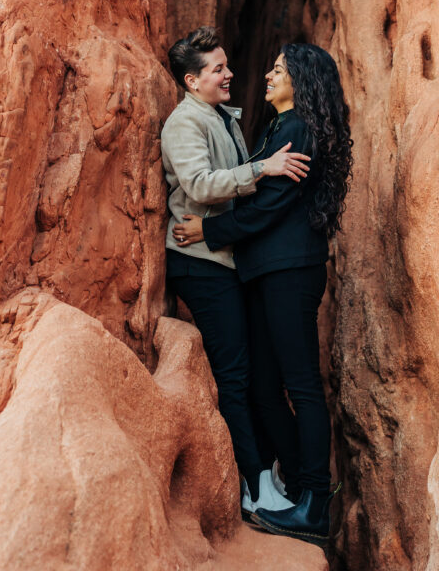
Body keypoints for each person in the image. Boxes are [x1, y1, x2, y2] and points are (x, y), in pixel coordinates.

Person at [174, 43, 353, 544]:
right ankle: (298, 485)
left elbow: (269, 206)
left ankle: (315, 501)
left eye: (279, 69)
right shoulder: (278, 127)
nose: (268, 74)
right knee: (263, 388)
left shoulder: (296, 129)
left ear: (303, 80)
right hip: (268, 273)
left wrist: (208, 233)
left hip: (289, 273)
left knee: (299, 386)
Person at [161, 26, 312, 517]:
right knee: (235, 373)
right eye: (218, 69)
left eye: (227, 64)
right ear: (191, 80)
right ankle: (252, 484)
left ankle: (265, 472)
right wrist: (261, 169)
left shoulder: (222, 117)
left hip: (223, 260)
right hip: (200, 264)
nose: (230, 74)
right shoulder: (186, 123)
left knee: (249, 375)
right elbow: (201, 185)